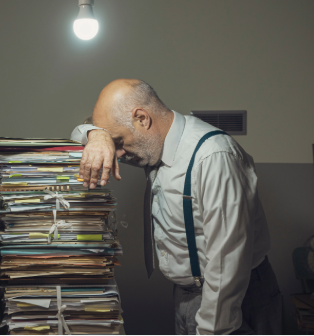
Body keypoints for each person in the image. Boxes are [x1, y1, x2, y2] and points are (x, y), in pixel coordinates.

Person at [70, 79, 282, 335]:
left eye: (118, 141)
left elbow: (227, 267)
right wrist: (98, 136)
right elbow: (77, 132)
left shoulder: (213, 157)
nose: (118, 155)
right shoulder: (151, 145)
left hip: (233, 296)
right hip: (186, 293)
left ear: (142, 119)